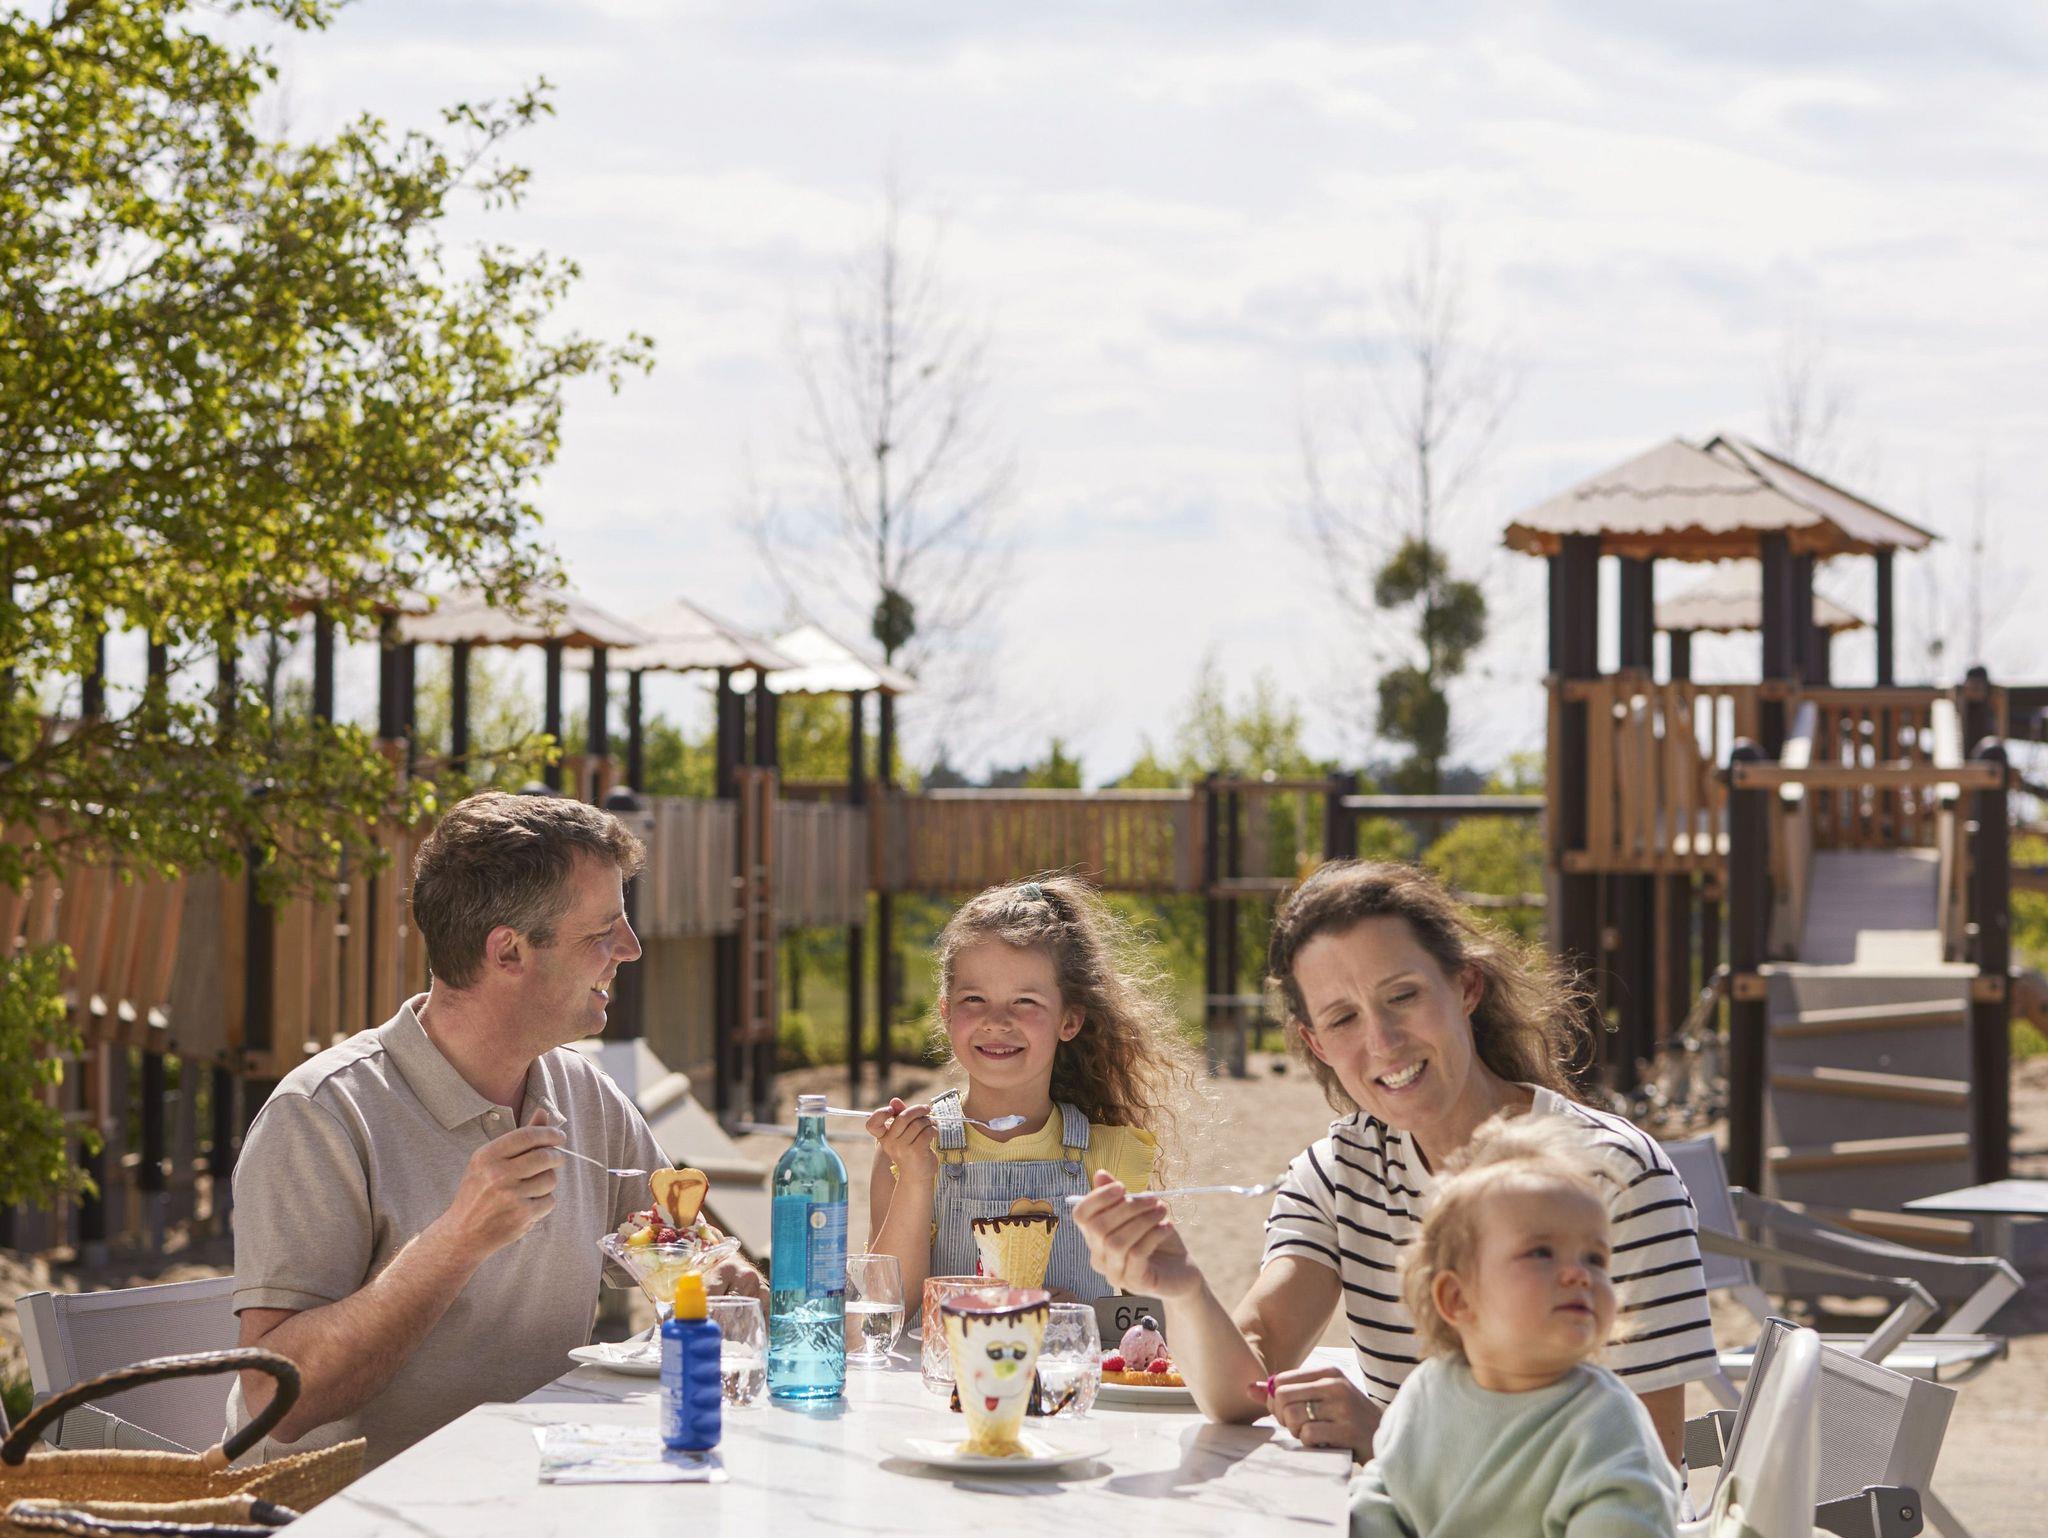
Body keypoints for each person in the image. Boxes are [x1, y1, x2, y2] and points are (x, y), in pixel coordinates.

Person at [1073, 860, 1716, 1465]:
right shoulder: (1337, 1174)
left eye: (1403, 996)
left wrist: (1388, 1441)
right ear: (1316, 1044)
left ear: (1465, 986)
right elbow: (1247, 1383)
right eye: (1343, 1019)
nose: (1382, 1042)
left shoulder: (1612, 1174)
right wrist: (1183, 1289)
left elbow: (1649, 1470)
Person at [227, 791, 764, 1469]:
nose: (630, 950)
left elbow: (677, 1243)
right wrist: (457, 1241)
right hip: (354, 1506)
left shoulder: (584, 1093)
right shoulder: (321, 1115)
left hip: (542, 1481)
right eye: (602, 931)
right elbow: (275, 1402)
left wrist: (720, 1273)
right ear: (508, 950)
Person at [865, 875, 1200, 1302]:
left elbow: (1143, 1321)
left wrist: (1075, 1314)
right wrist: (915, 1177)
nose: (996, 1021)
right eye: (974, 999)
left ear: (1069, 1020)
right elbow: (884, 1312)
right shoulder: (909, 1149)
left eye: (1025, 1001)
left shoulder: (1111, 1158)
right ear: (946, 1012)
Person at [1349, 1113, 1681, 1537]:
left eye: (1594, 1259)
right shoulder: (1429, 1391)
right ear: (1457, 1299)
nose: (1579, 1274)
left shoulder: (1606, 1426)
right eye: (1541, 1253)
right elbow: (1384, 1494)